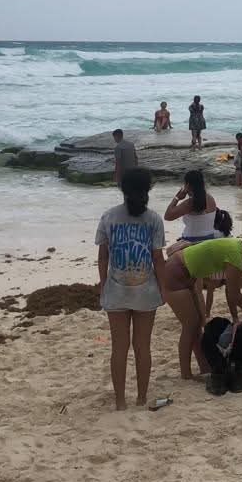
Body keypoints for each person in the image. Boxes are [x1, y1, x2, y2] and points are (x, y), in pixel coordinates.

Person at [95, 167, 165, 410]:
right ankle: (142, 397)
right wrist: (164, 289)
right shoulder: (154, 219)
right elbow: (158, 259)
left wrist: (103, 283)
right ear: (148, 190)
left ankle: (120, 402)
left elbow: (103, 257)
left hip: (116, 291)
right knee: (142, 347)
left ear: (122, 190)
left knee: (119, 348)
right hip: (146, 292)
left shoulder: (108, 217)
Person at [158, 235, 242, 382]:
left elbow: (231, 294)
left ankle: (204, 367)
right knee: (190, 325)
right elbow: (234, 295)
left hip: (184, 271)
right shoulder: (236, 256)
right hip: (176, 272)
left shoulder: (237, 247)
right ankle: (186, 374)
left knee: (196, 324)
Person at [164, 170, 217, 244]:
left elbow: (167, 216)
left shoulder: (190, 203)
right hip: (209, 240)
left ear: (187, 185)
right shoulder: (211, 199)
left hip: (191, 241)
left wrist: (177, 197)